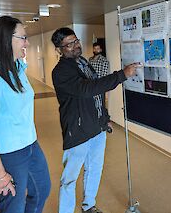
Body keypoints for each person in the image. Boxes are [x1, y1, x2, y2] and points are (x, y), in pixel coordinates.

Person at [51, 27, 138, 213]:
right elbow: (87, 89)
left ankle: (88, 206)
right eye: (69, 44)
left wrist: (104, 118)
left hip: (97, 127)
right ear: (59, 49)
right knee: (69, 178)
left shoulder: (83, 62)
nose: (75, 46)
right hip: (78, 131)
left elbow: (97, 93)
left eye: (76, 41)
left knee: (94, 169)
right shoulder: (60, 72)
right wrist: (121, 75)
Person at [0, 16, 51, 213]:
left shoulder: (17, 68)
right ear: (5, 39)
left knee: (42, 189)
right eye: (23, 38)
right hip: (6, 152)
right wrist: (0, 173)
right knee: (14, 205)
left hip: (29, 144)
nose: (27, 43)